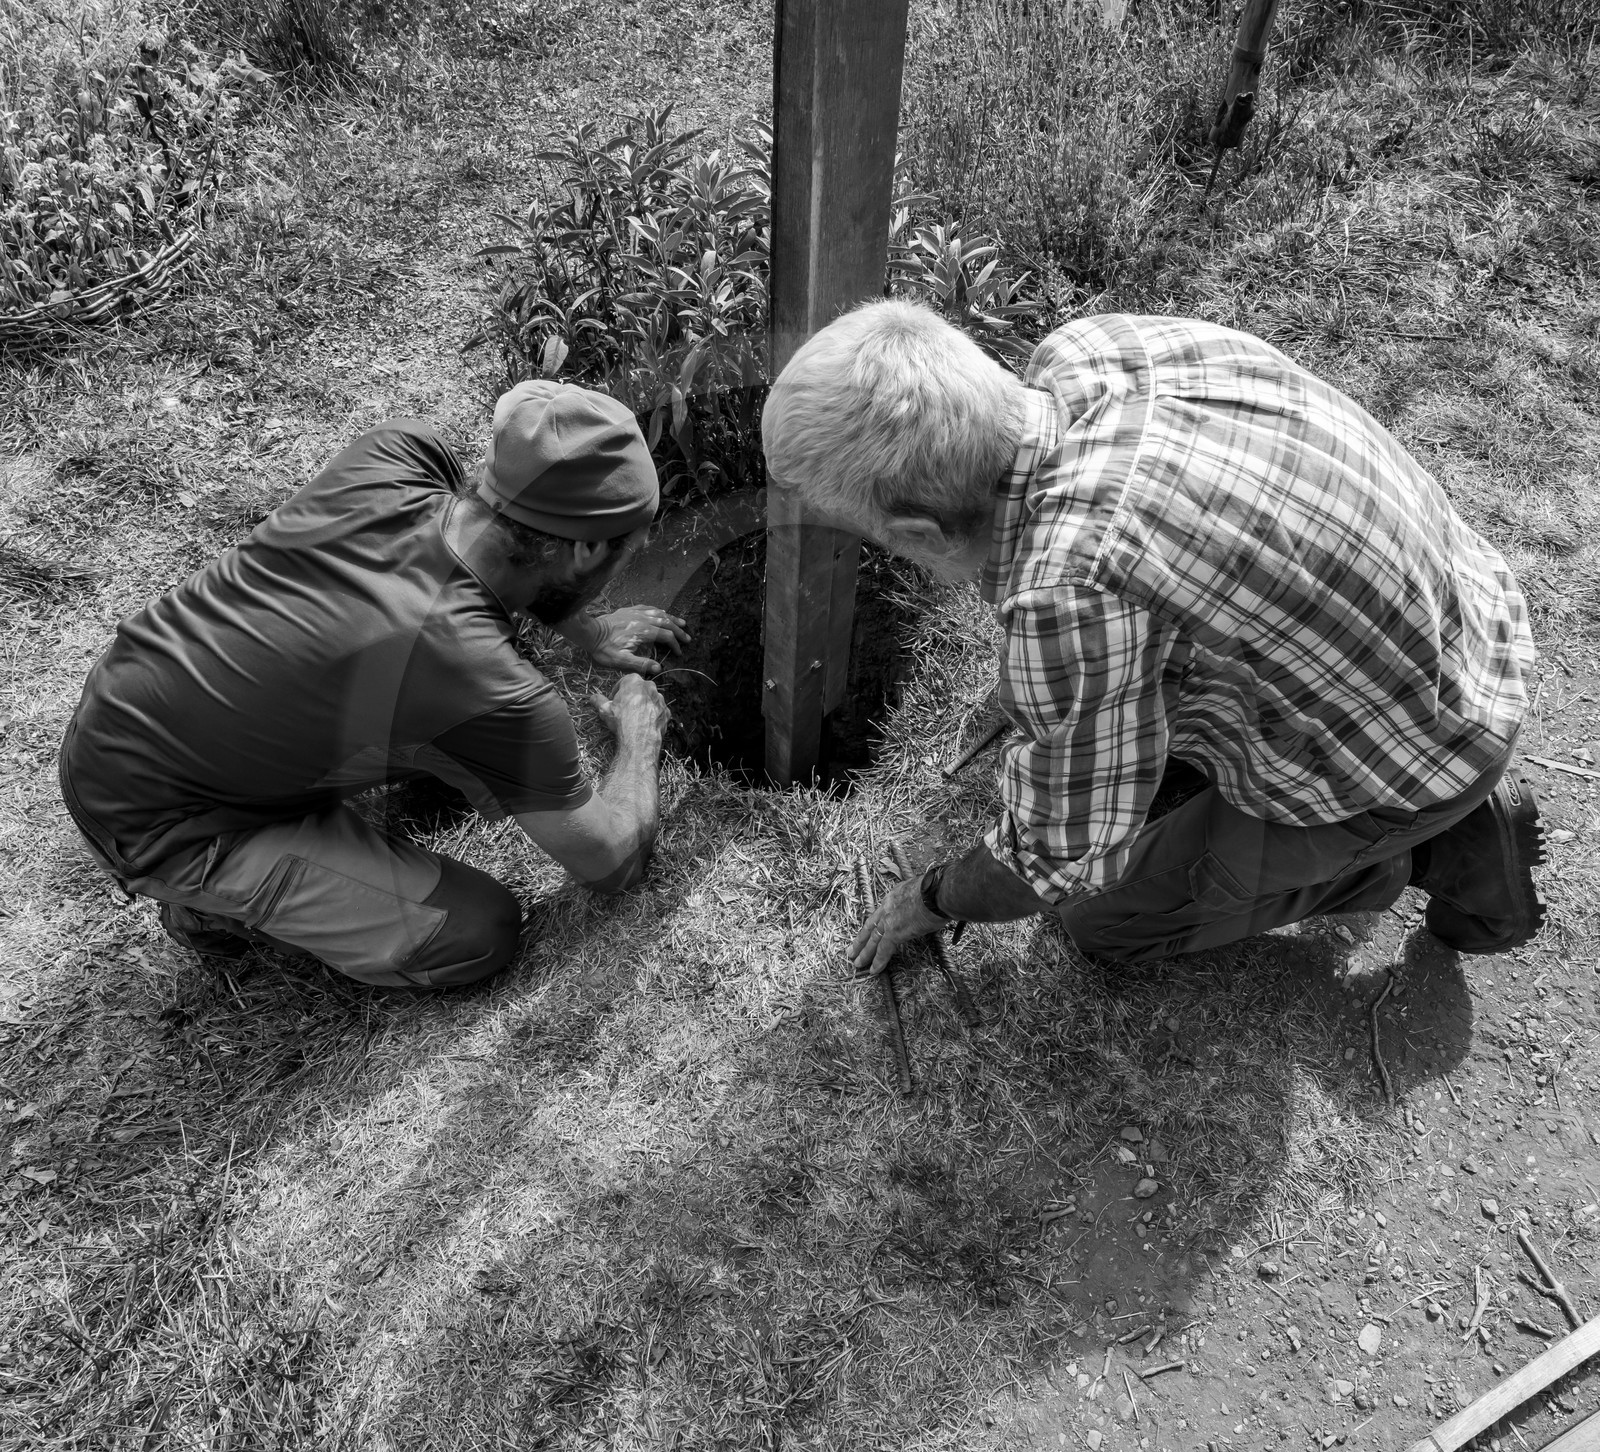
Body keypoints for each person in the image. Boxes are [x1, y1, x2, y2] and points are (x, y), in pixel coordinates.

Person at [760, 303, 1543, 975]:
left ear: (917, 532)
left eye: (878, 542)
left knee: (1101, 918)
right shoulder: (1096, 351)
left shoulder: (1069, 595)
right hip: (1468, 620)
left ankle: (1430, 853)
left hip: (1419, 755)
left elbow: (1051, 864)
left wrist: (932, 896)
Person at [58, 381, 689, 988]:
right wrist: (639, 737)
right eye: (625, 551)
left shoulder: (400, 454)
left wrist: (590, 631)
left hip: (131, 701)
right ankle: (209, 905)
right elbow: (613, 863)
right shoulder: (485, 681)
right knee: (475, 932)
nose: (625, 564)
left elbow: (511, 547)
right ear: (584, 551)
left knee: (459, 740)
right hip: (162, 817)